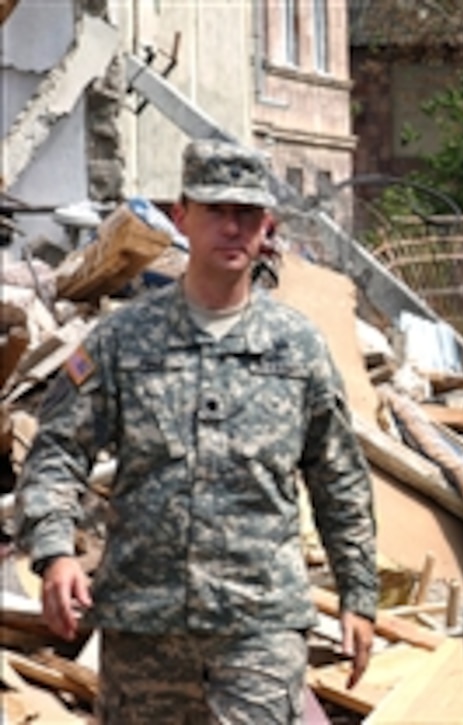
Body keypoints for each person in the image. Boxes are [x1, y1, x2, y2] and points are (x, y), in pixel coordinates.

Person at [16, 139, 378, 723]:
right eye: (216, 211)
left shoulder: (298, 347)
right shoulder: (122, 341)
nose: (232, 229)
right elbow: (58, 450)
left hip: (258, 626)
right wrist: (56, 551)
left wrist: (358, 596)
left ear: (268, 226)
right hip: (144, 629)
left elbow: (339, 479)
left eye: (247, 215)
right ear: (182, 216)